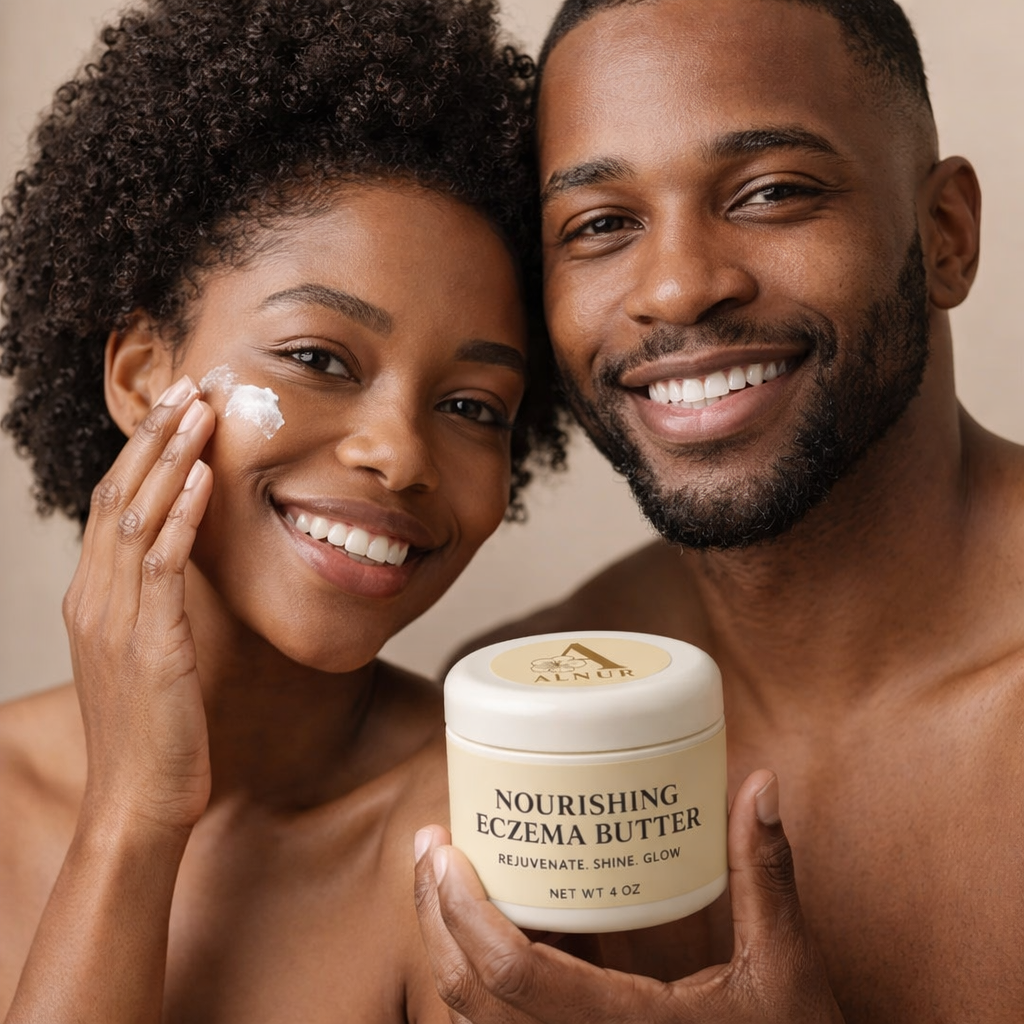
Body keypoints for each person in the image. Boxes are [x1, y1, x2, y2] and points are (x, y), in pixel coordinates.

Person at [413, 1, 1024, 1021]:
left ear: (946, 234)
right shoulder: (525, 739)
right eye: (600, 224)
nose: (678, 287)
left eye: (772, 191)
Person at [0, 0, 568, 1020]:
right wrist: (132, 818)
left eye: (472, 407)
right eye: (316, 358)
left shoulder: (482, 838)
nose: (397, 454)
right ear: (139, 377)